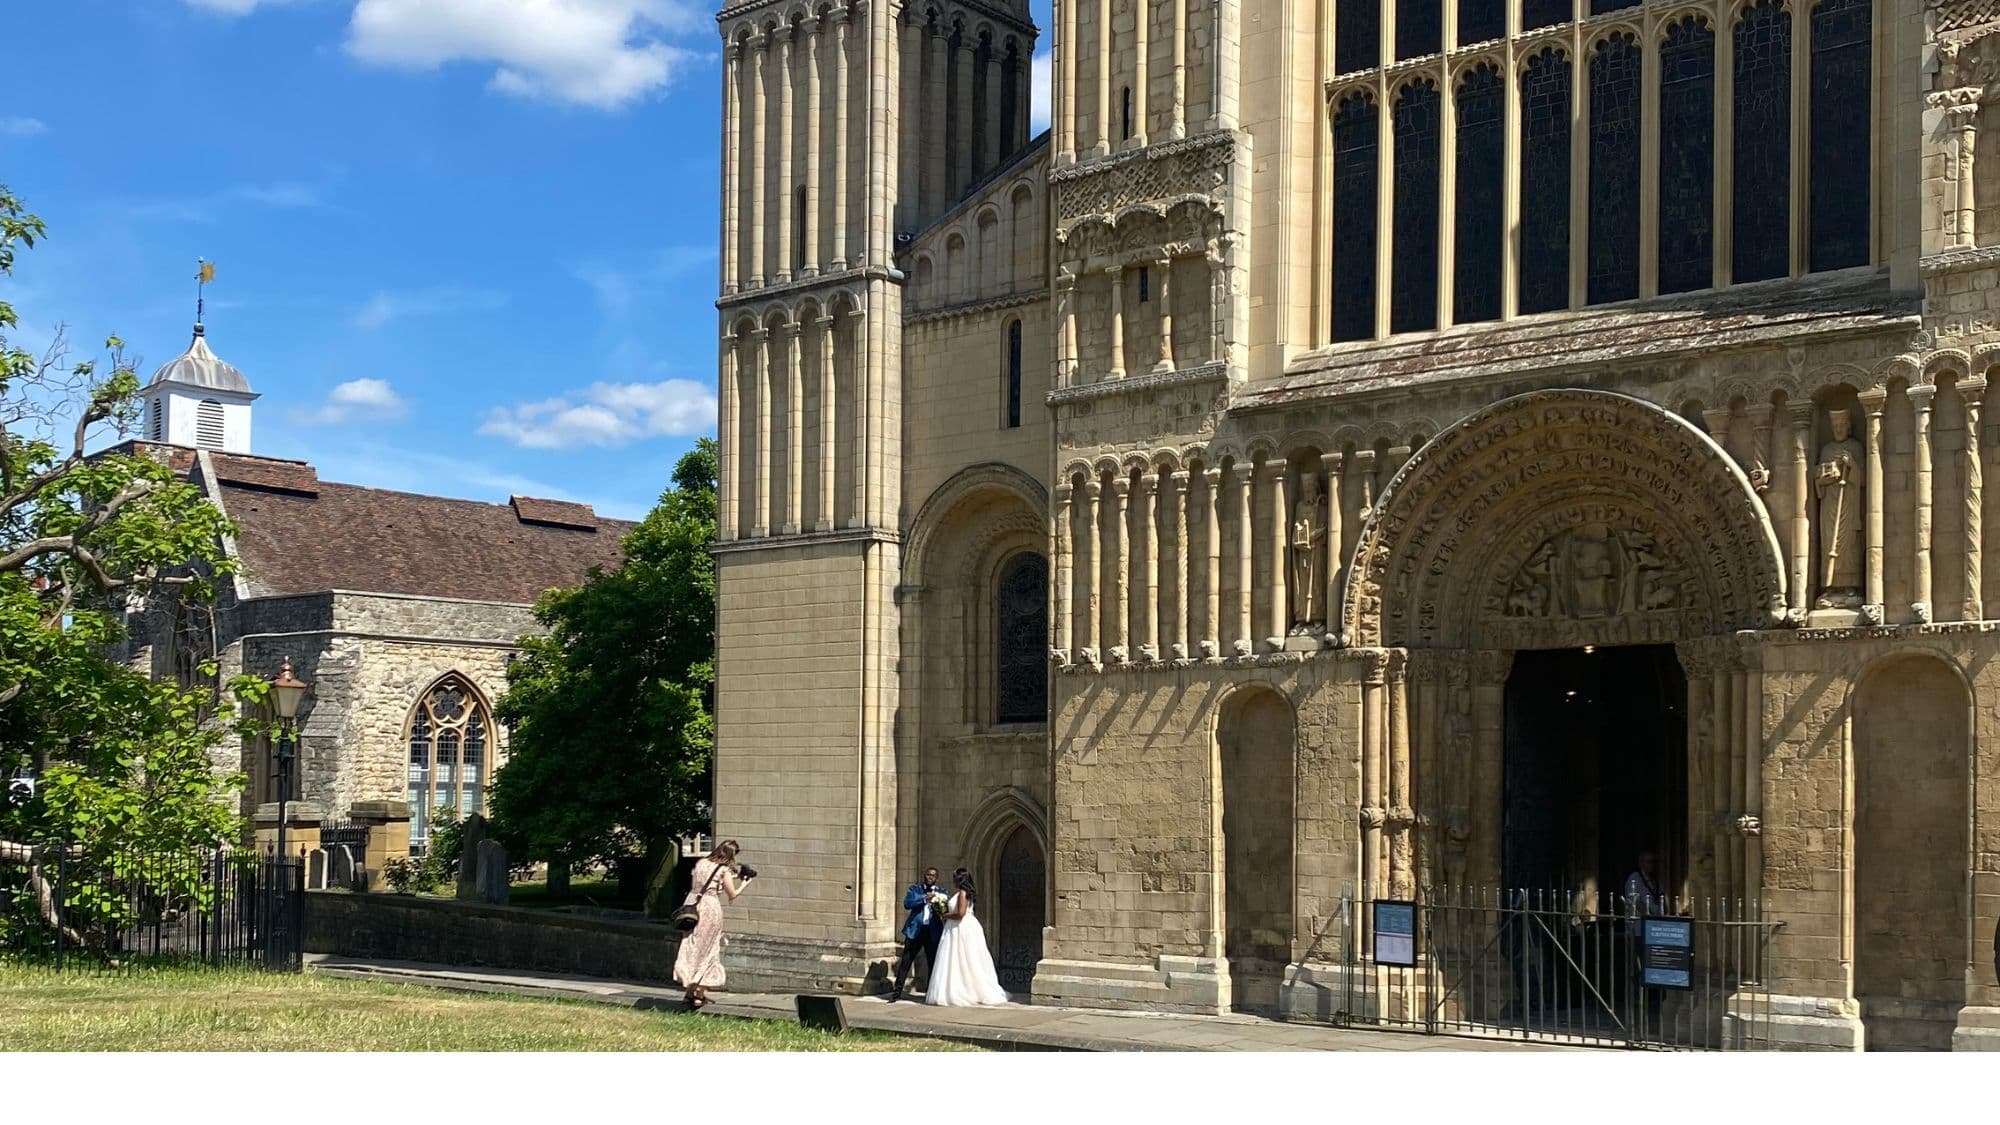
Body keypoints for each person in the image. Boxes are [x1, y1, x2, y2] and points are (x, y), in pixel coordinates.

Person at [674, 839, 754, 1010]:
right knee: (709, 950)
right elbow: (732, 894)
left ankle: (689, 991)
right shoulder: (724, 870)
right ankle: (699, 994)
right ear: (731, 855)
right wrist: (744, 883)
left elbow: (706, 882)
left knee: (692, 947)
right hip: (710, 909)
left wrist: (733, 877)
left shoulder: (701, 863)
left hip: (692, 906)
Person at [924, 868, 1009, 1007]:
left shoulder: (963, 893)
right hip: (959, 927)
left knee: (964, 957)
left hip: (960, 928)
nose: (953, 880)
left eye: (954, 877)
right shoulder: (963, 893)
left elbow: (960, 913)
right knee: (959, 959)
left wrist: (944, 915)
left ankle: (965, 991)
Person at [891, 866, 946, 1002]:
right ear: (924, 875)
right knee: (906, 961)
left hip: (932, 931)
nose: (930, 877)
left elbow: (945, 908)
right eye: (928, 875)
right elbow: (907, 903)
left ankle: (931, 993)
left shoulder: (941, 892)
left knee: (932, 962)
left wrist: (938, 904)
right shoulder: (915, 889)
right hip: (915, 931)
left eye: (933, 875)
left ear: (936, 878)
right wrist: (924, 898)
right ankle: (896, 993)